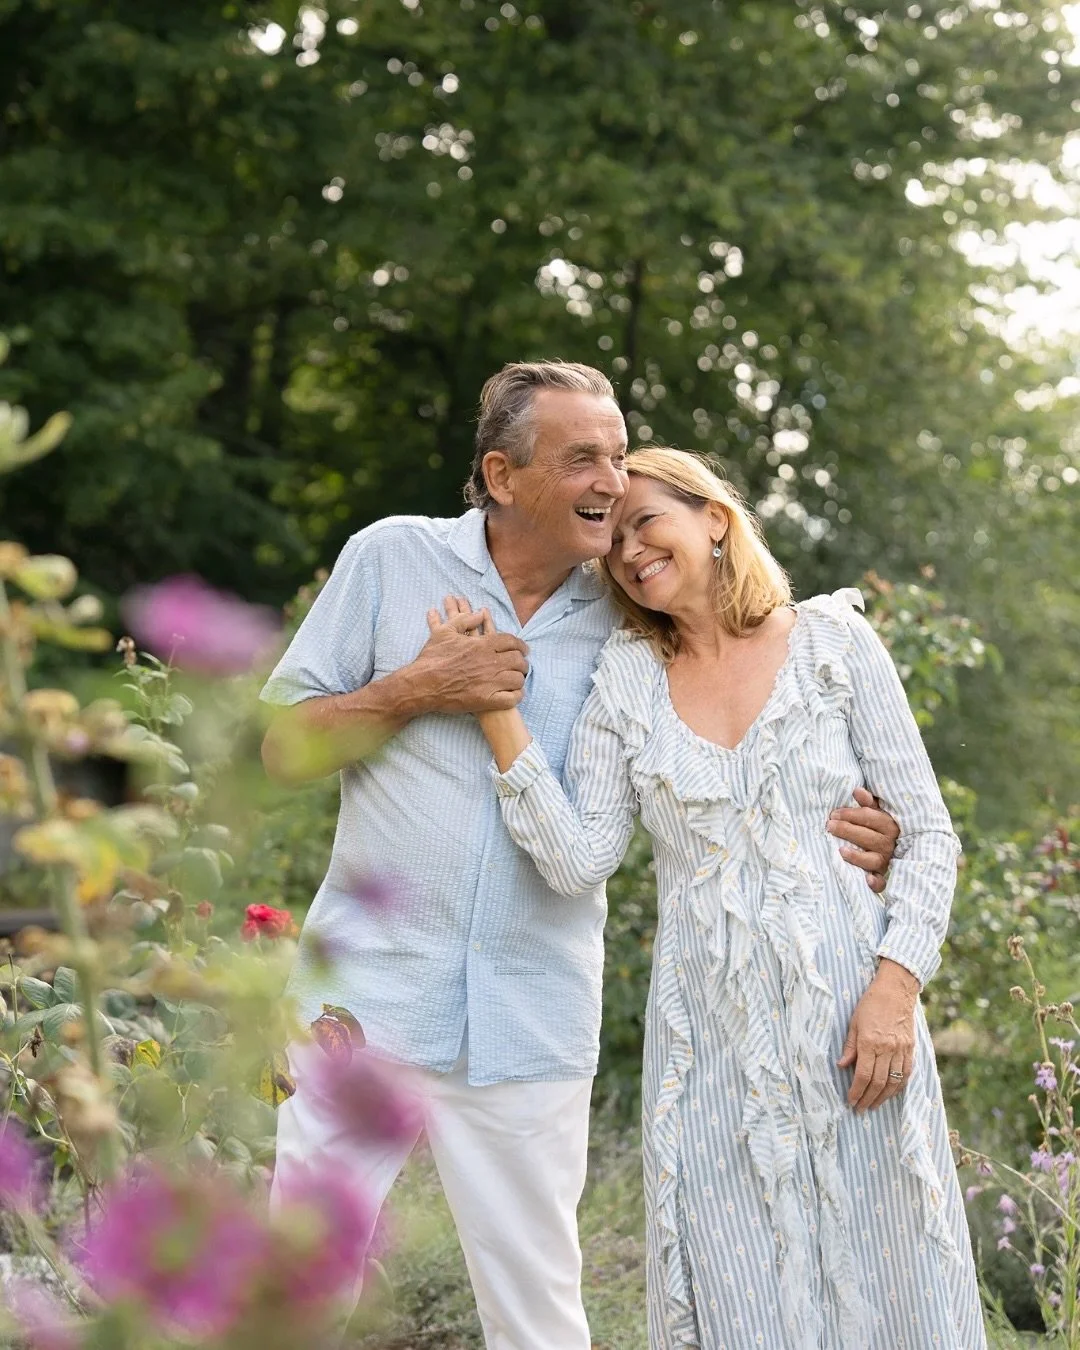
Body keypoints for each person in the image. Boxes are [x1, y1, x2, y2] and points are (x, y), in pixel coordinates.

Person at [259, 363, 901, 1350]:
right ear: (504, 475)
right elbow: (281, 748)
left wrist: (869, 823)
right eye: (584, 458)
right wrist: (415, 688)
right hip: (364, 1001)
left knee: (539, 1322)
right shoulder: (389, 560)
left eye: (618, 451)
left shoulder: (633, 616)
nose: (613, 478)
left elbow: (734, 742)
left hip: (532, 1017)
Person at [456, 446, 985, 1350]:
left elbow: (929, 834)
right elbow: (580, 858)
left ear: (713, 517)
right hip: (708, 1054)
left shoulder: (833, 644)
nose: (627, 550)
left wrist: (895, 991)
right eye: (612, 539)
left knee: (895, 1278)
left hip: (856, 1032)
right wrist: (495, 711)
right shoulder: (623, 676)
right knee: (742, 1295)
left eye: (645, 521)